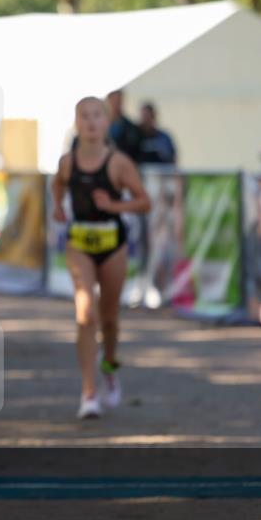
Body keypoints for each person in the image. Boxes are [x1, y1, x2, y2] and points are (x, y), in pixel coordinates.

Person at [51, 97, 151, 419]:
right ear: (77, 122)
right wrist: (58, 206)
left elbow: (144, 201)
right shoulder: (68, 162)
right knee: (85, 314)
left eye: (97, 116)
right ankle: (89, 393)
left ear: (107, 123)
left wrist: (114, 206)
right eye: (85, 116)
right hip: (79, 241)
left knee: (109, 318)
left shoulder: (119, 162)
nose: (92, 122)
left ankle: (109, 365)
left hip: (113, 242)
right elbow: (57, 184)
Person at [106, 89, 142, 163]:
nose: (116, 104)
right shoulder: (98, 128)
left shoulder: (132, 129)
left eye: (119, 101)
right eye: (114, 101)